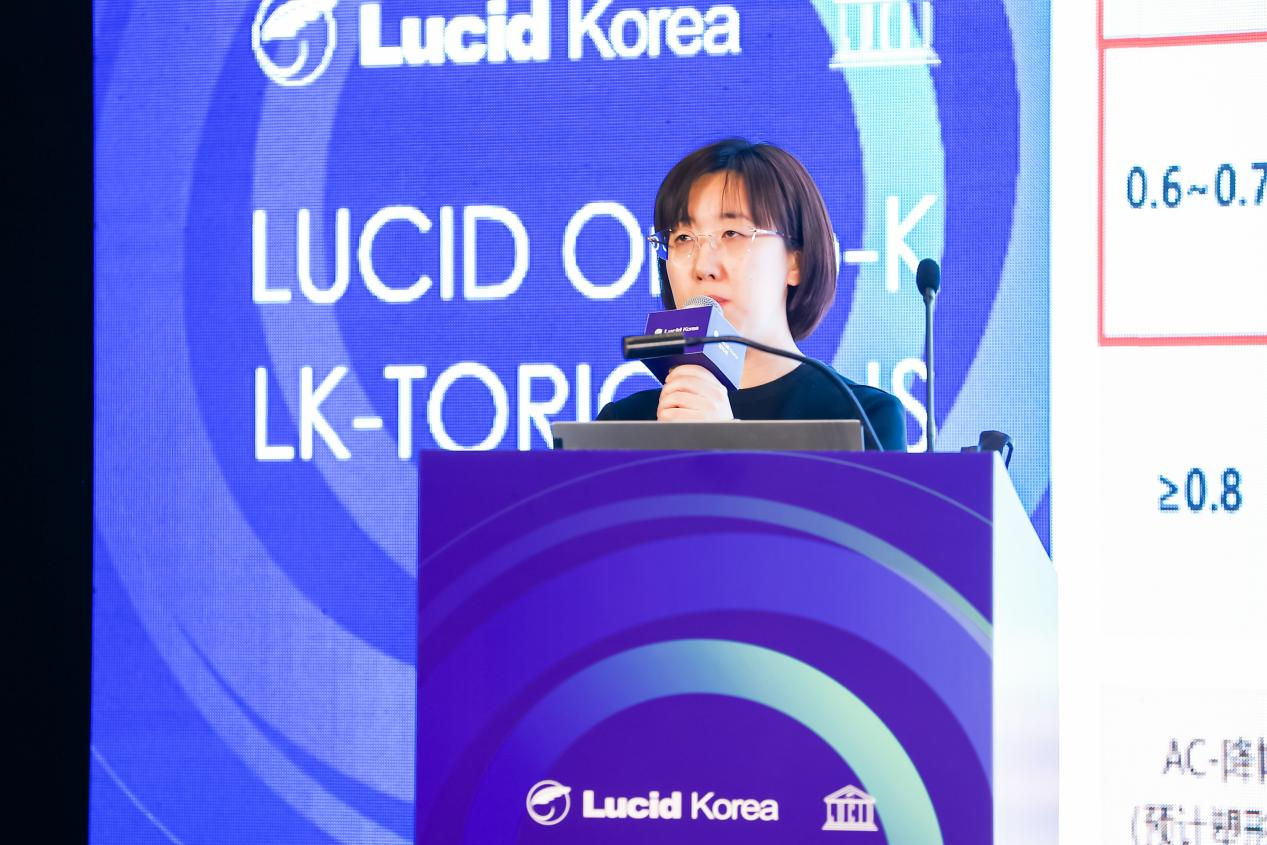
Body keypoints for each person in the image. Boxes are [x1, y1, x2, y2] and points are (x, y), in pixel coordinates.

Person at [596, 138, 907, 451]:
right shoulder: (623, 426)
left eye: (732, 234)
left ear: (795, 261)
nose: (703, 267)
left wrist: (727, 442)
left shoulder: (863, 419)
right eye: (684, 238)